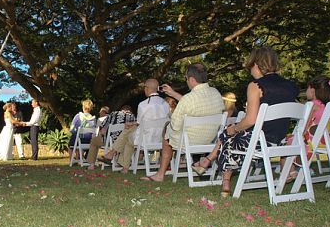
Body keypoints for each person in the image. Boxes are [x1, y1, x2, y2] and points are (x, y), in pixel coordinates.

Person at [189, 47, 300, 196]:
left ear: (256, 64)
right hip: (281, 141)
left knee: (228, 134)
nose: (250, 70)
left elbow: (251, 120)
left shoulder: (256, 86)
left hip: (260, 141)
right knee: (229, 132)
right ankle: (208, 163)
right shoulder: (291, 86)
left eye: (250, 66)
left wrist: (235, 129)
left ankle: (224, 181)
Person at [140, 64, 225, 182]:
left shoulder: (188, 99)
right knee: (171, 130)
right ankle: (197, 163)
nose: (186, 81)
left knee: (167, 129)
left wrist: (168, 126)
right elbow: (194, 103)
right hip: (210, 139)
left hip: (189, 140)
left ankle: (160, 174)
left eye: (186, 78)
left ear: (192, 80)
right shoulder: (216, 93)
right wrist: (173, 93)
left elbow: (175, 126)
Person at [100, 79, 170, 173]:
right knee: (129, 132)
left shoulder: (143, 105)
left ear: (147, 88)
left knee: (128, 135)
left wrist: (131, 124)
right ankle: (119, 162)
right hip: (161, 139)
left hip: (146, 139)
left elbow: (140, 123)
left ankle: (114, 155)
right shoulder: (165, 104)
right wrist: (132, 123)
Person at [87, 104, 135, 170]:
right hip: (124, 143)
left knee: (94, 141)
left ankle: (91, 165)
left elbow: (102, 131)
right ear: (130, 111)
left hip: (108, 142)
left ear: (121, 110)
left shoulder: (112, 114)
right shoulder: (132, 117)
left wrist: (101, 136)